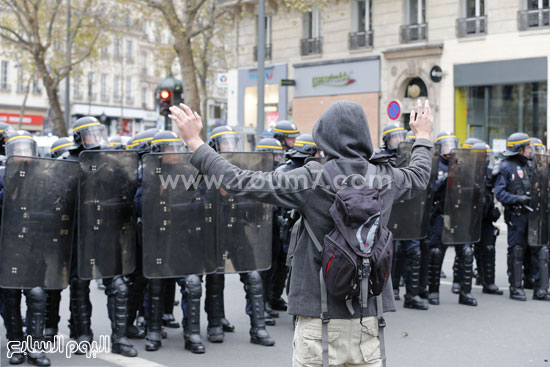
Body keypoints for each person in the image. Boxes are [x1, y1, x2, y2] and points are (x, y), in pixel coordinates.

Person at [168, 99, 433, 367]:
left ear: (324, 137)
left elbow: (240, 181)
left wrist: (195, 142)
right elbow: (420, 175)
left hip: (319, 319)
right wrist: (422, 136)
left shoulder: (311, 179)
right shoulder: (385, 177)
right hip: (370, 320)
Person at [205, 126, 275, 347]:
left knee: (253, 277)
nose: (230, 146)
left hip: (237, 229)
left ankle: (258, 327)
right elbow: (197, 198)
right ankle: (215, 323)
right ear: (215, 146)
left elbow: (253, 197)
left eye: (232, 142)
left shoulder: (241, 167)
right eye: (225, 142)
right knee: (215, 279)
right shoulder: (204, 169)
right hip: (215, 230)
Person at [0, 131, 51, 366]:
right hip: (8, 245)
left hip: (34, 244)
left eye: (26, 149)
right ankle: (16, 345)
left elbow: (54, 209)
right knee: (10, 297)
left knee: (37, 294)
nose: (22, 154)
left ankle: (36, 347)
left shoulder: (44, 178)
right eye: (17, 149)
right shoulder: (1, 177)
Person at [427, 132, 477, 307]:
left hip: (458, 215)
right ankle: (432, 291)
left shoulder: (461, 164)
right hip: (440, 215)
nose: (449, 149)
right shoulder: (434, 165)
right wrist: (445, 179)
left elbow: (472, 187)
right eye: (446, 145)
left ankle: (465, 292)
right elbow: (430, 190)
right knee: (436, 253)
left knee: (466, 252)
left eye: (452, 144)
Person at [494, 132, 542, 301]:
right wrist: (517, 199)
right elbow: (500, 194)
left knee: (536, 249)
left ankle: (535, 284)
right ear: (519, 149)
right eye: (527, 147)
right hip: (516, 215)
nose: (530, 150)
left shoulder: (530, 164)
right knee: (516, 250)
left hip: (531, 215)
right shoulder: (505, 166)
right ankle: (515, 287)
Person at [469, 142, 503, 295]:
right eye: (485, 155)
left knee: (488, 249)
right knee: (465, 251)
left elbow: (495, 193)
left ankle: (488, 282)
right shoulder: (466, 172)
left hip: (486, 216)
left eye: (488, 155)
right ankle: (461, 284)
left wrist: (493, 209)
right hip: (470, 217)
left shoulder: (490, 173)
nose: (487, 158)